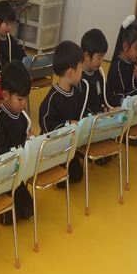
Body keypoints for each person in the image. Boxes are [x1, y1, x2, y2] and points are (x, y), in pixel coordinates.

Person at [0, 62, 34, 224]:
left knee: (28, 210)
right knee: (10, 218)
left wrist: (29, 142)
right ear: (5, 95)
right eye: (20, 99)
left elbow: (22, 145)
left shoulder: (22, 118)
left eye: (26, 98)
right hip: (0, 174)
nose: (24, 103)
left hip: (15, 172)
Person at [38, 41, 85, 183]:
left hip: (69, 143)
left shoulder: (76, 91)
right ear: (71, 72)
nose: (82, 71)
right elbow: (46, 124)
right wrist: (68, 124)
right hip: (53, 146)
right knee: (63, 180)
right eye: (81, 68)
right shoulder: (53, 97)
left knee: (76, 175)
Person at [108, 21, 137, 107]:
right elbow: (123, 94)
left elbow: (134, 87)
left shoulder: (132, 62)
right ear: (125, 46)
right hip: (119, 106)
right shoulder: (117, 66)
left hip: (131, 103)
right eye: (136, 48)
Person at [80, 28, 110, 115]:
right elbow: (85, 108)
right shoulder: (79, 78)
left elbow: (107, 95)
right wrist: (106, 110)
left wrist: (122, 102)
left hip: (100, 116)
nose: (101, 61)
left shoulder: (97, 72)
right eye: (99, 58)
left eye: (103, 57)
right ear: (86, 55)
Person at [0, 0, 26, 66]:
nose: (10, 27)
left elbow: (21, 56)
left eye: (11, 23)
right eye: (7, 24)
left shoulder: (10, 39)